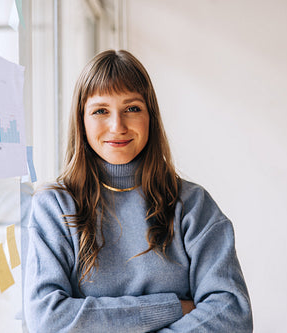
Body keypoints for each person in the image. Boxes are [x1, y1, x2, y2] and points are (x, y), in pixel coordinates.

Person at [23, 49, 253, 332]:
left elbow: (232, 314)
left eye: (132, 108)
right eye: (100, 111)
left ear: (150, 117)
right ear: (81, 120)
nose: (117, 126)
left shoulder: (193, 205)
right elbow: (47, 320)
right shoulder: (54, 206)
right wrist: (172, 307)